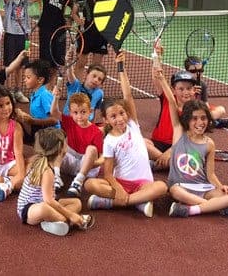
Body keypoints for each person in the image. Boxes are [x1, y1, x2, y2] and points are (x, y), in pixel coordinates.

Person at [84, 52, 168, 217]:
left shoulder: (132, 124)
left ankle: (113, 203)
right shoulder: (108, 140)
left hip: (143, 184)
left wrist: (121, 68)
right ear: (106, 120)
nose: (120, 119)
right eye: (113, 116)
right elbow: (108, 174)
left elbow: (127, 95)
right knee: (90, 184)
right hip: (120, 182)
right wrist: (118, 189)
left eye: (122, 113)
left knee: (162, 187)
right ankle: (138, 203)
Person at [163, 90, 228, 218]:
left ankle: (191, 209)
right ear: (187, 120)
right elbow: (172, 102)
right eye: (194, 118)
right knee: (174, 191)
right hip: (181, 187)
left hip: (204, 187)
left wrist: (221, 187)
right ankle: (217, 207)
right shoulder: (179, 133)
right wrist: (160, 79)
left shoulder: (209, 144)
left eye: (203, 118)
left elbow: (210, 174)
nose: (200, 123)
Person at [17, 128, 94, 236]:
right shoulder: (47, 171)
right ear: (60, 148)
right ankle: (64, 220)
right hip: (29, 209)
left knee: (76, 202)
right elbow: (48, 201)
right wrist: (71, 214)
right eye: (65, 143)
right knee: (46, 209)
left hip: (44, 202)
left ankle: (57, 221)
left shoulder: (47, 163)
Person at [145, 49, 199, 168]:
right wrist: (157, 55)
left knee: (190, 153)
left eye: (189, 88)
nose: (185, 92)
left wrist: (170, 152)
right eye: (181, 89)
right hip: (157, 143)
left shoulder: (195, 109)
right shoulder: (166, 99)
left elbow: (189, 136)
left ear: (194, 90)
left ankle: (158, 164)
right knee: (140, 143)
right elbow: (156, 77)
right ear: (174, 90)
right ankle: (167, 164)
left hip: (179, 147)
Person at [50, 90, 104, 198]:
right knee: (59, 141)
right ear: (70, 112)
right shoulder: (69, 122)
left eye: (83, 112)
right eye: (75, 112)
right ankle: (56, 177)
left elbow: (102, 157)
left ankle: (78, 182)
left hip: (86, 166)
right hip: (70, 161)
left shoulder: (96, 131)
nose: (79, 116)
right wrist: (56, 98)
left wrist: (94, 163)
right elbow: (54, 113)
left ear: (90, 111)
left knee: (92, 149)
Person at [3, 0, 40, 103]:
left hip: (24, 36)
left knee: (20, 66)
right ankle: (8, 91)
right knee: (10, 65)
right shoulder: (8, 1)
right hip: (11, 35)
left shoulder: (24, 0)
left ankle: (17, 91)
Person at [73, 0, 109, 76]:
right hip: (84, 33)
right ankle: (77, 92)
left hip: (100, 34)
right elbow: (73, 13)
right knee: (80, 64)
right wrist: (78, 20)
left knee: (96, 68)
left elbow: (109, 15)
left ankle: (91, 92)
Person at [15, 59, 59, 148]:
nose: (24, 80)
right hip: (39, 130)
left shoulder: (44, 95)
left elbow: (54, 120)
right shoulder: (35, 94)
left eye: (28, 77)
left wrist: (32, 121)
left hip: (50, 135)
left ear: (40, 80)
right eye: (24, 77)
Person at [184, 57, 228, 129]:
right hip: (185, 112)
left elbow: (205, 105)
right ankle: (213, 123)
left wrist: (206, 113)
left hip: (199, 111)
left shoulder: (202, 85)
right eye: (193, 71)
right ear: (186, 71)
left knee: (221, 110)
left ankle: (209, 122)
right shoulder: (183, 84)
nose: (197, 73)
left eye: (200, 70)